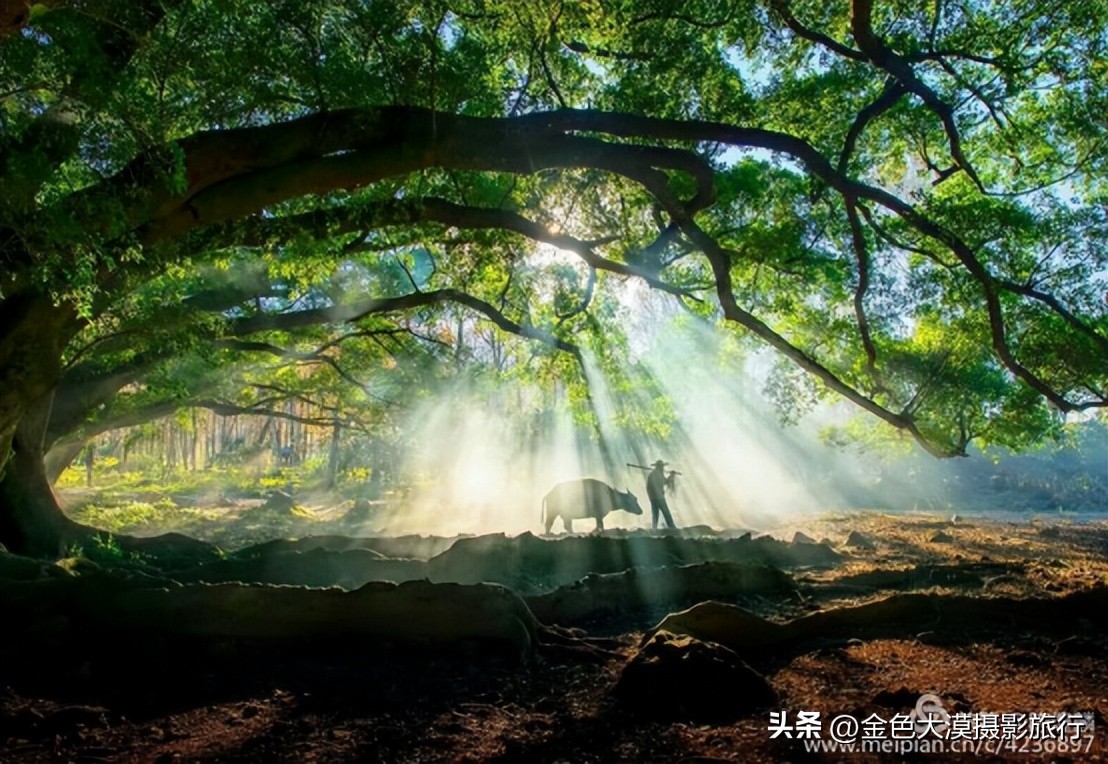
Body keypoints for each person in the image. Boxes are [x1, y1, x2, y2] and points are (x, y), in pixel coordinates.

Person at [628, 459, 678, 529]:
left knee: (655, 514)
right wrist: (671, 476)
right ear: (659, 467)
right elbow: (665, 482)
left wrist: (671, 476)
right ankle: (672, 527)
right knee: (666, 513)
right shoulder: (657, 474)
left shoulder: (656, 474)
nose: (663, 468)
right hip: (658, 498)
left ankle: (655, 528)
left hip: (654, 498)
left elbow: (664, 482)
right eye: (662, 466)